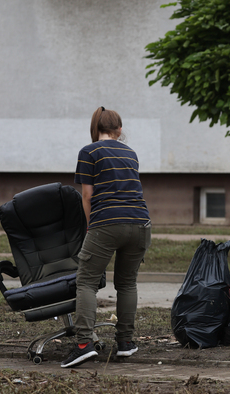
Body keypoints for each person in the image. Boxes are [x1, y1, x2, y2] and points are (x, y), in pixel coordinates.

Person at [62, 106, 152, 368]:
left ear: (95, 128)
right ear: (119, 129)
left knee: (86, 282)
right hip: (141, 223)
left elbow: (87, 196)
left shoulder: (89, 152)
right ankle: (125, 343)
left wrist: (92, 227)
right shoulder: (131, 152)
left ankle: (83, 345)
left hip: (108, 223)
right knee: (127, 284)